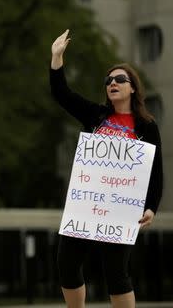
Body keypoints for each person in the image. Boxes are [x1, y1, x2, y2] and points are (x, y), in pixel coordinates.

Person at [50, 30, 163, 308]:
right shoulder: (96, 115)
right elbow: (61, 94)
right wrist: (56, 57)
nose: (112, 83)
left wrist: (151, 207)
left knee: (115, 272)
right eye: (109, 80)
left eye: (119, 79)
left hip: (122, 209)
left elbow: (156, 171)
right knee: (66, 263)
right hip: (85, 206)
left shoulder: (146, 127)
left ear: (133, 87)